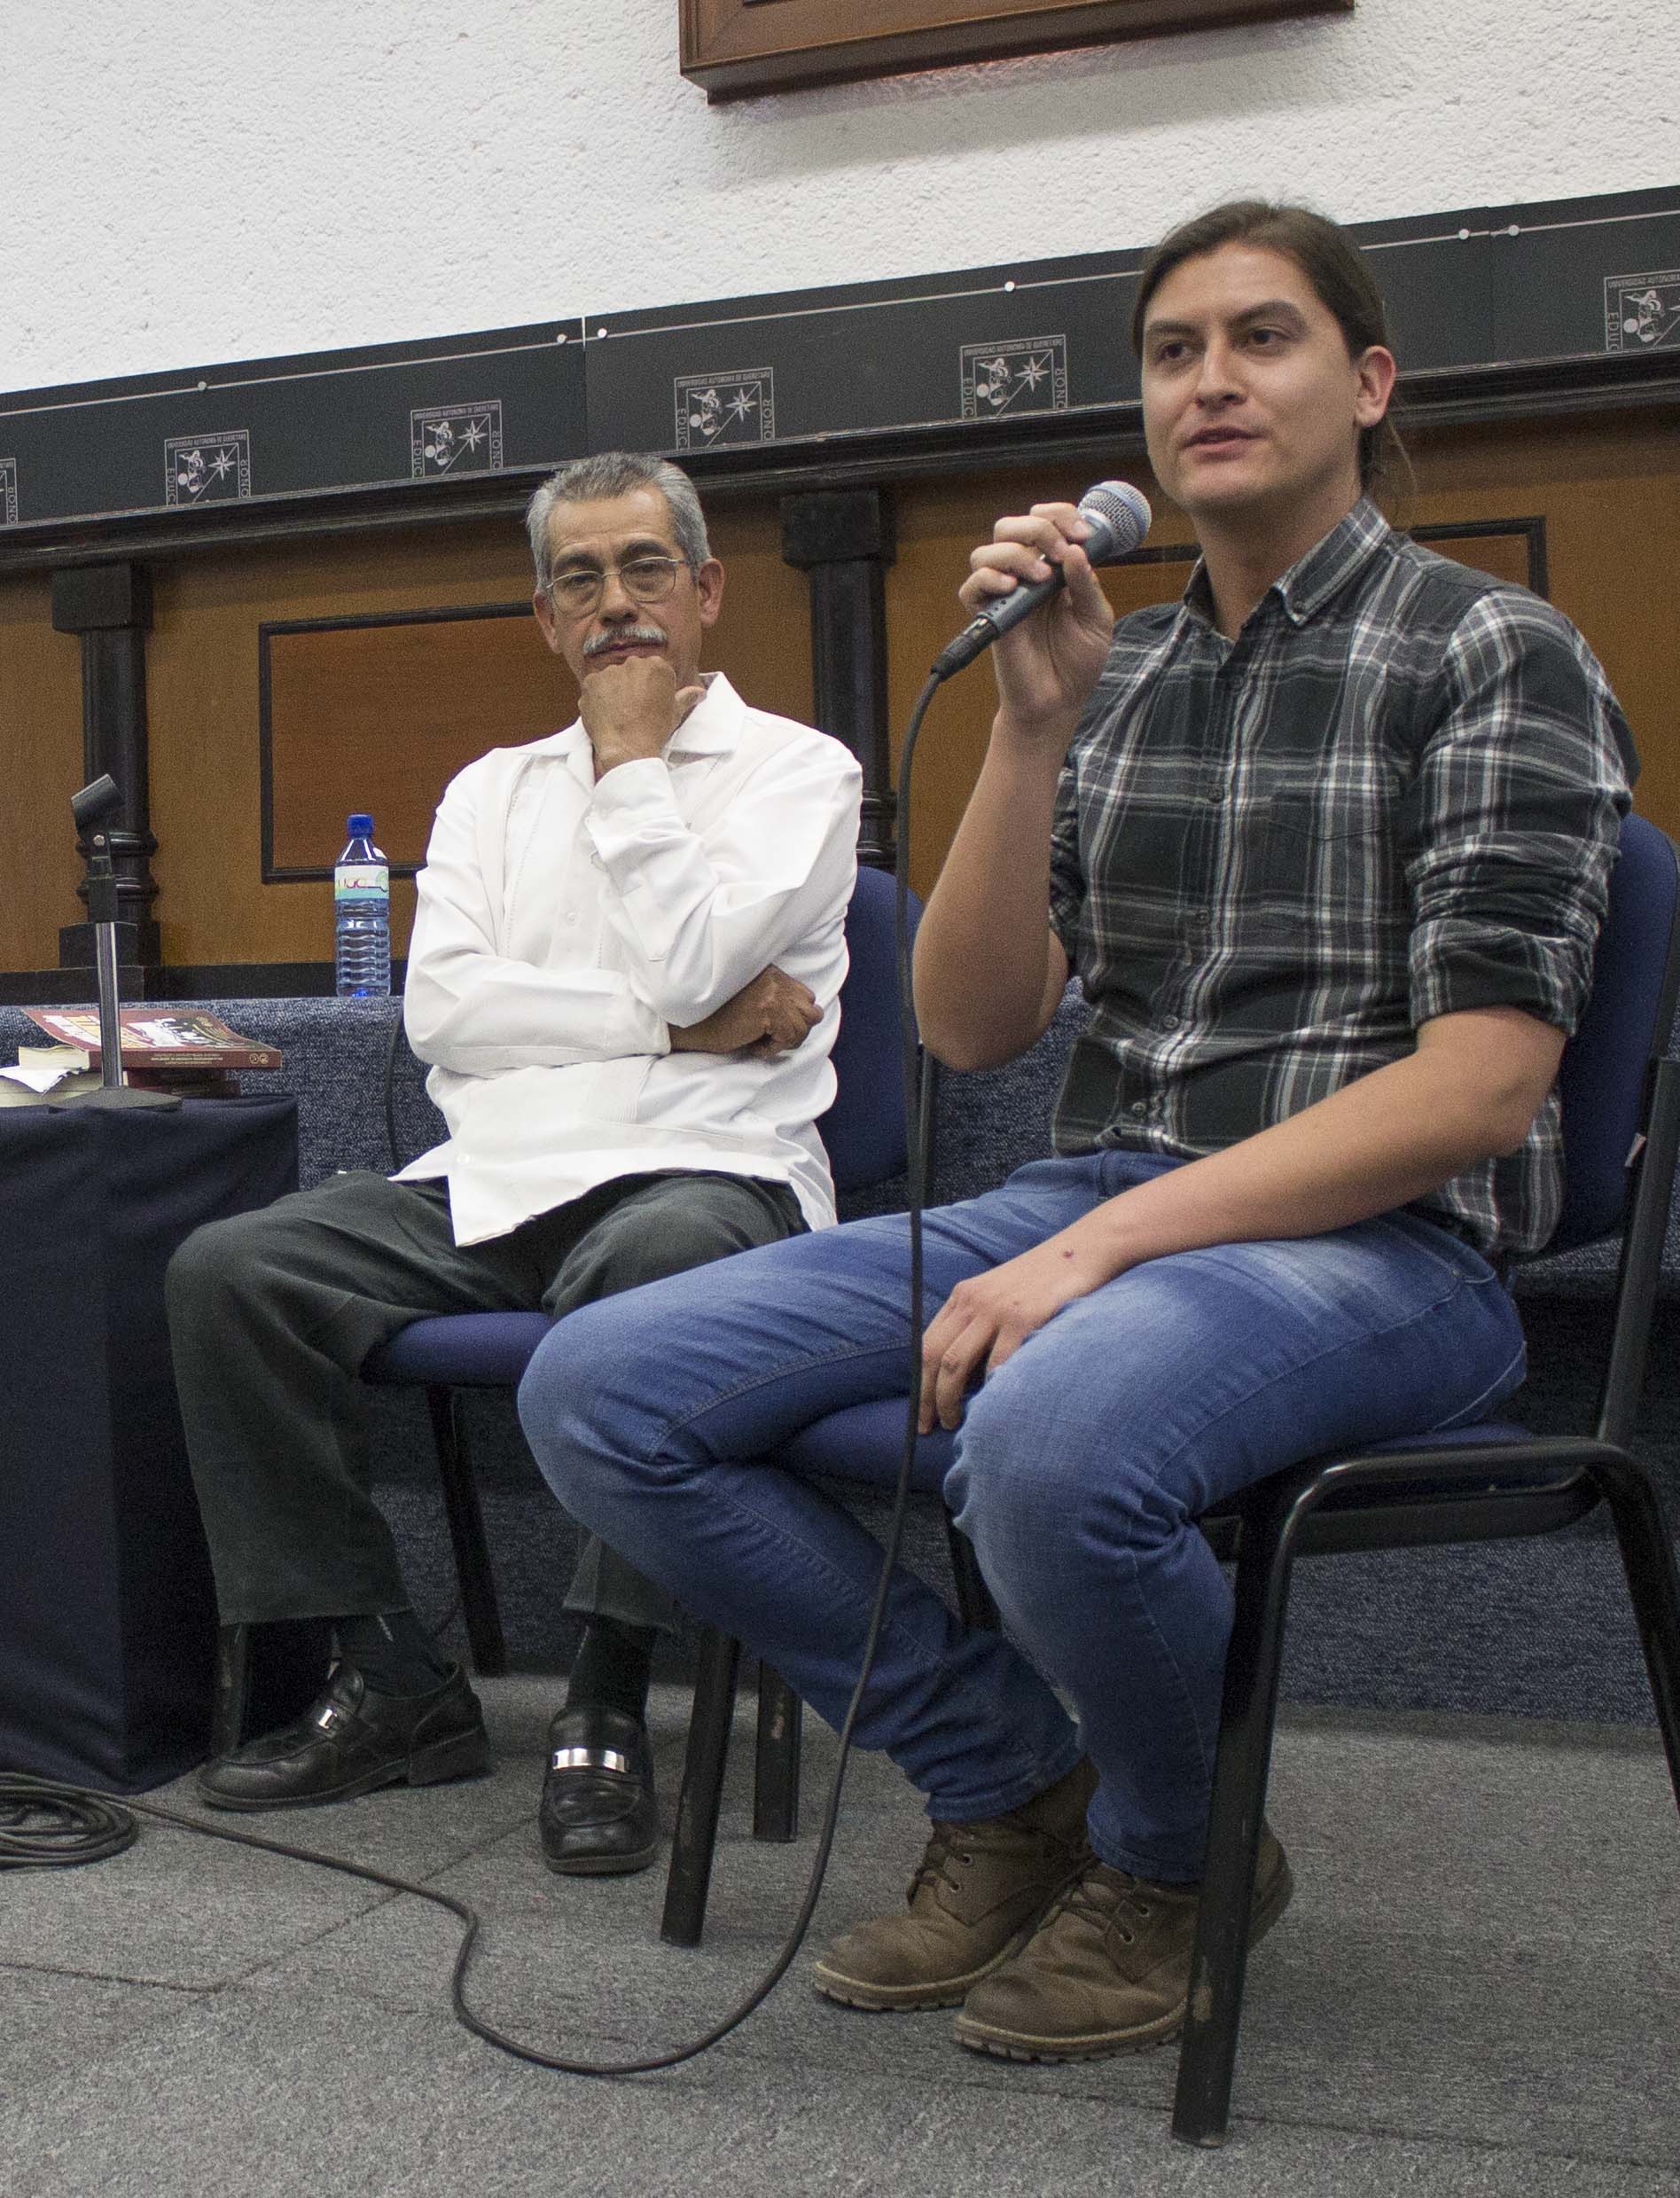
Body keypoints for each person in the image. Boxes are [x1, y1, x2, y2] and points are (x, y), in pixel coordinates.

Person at [521, 201, 1633, 2061]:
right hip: (1098, 1187)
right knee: (598, 1389)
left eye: (1262, 339)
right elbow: (970, 1022)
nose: (1211, 380)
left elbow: (1486, 1088)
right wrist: (1032, 726)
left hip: (1389, 1244)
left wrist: (1101, 1250)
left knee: (1044, 1438)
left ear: (1365, 386)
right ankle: (1012, 1779)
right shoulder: (1109, 673)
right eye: (1174, 350)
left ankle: (1179, 1853)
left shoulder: (1491, 651)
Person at [166, 450, 863, 1871]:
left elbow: (693, 944)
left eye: (646, 569)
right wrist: (675, 1025)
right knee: (233, 1271)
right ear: (544, 618)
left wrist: (626, 764)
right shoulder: (488, 789)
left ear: (709, 590)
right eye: (579, 580)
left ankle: (604, 1697)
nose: (617, 606)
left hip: (707, 1175)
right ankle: (391, 1676)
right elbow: (446, 1017)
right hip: (495, 1179)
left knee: (651, 1268)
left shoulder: (802, 772)